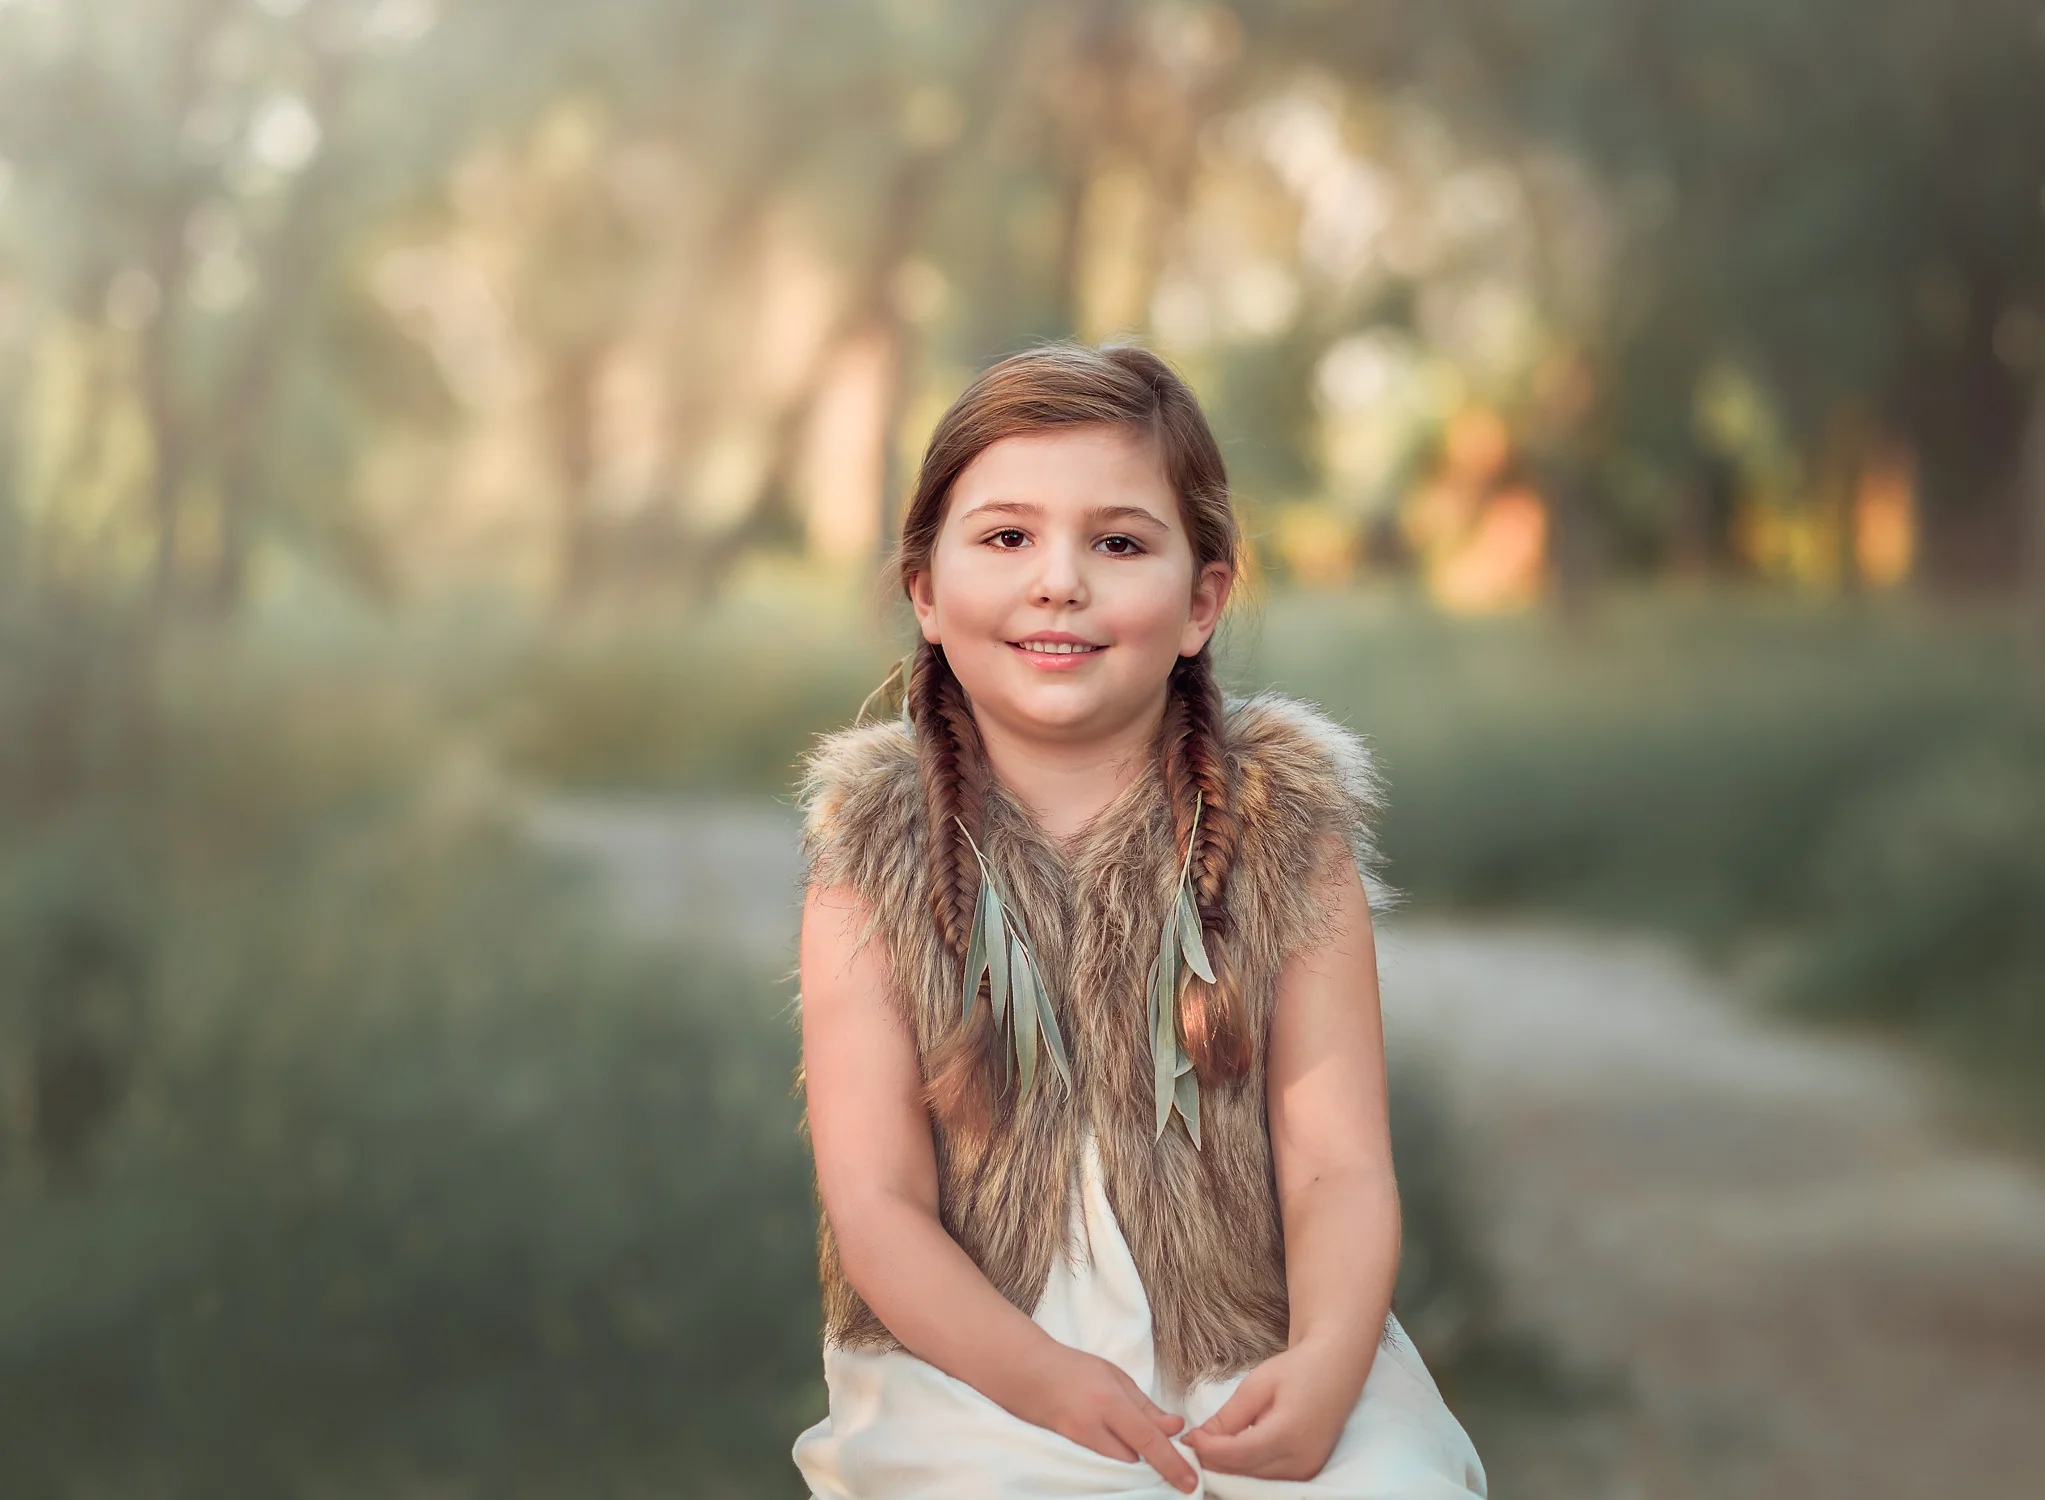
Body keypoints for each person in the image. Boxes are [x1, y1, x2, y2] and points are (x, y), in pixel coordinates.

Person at [790, 340, 1487, 1497]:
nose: (1058, 582)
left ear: (1201, 601)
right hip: (973, 1365)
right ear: (924, 590)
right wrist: (1043, 1379)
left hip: (1252, 1351)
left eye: (1116, 543)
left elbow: (1338, 1168)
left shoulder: (1284, 836)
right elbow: (877, 1206)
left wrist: (1324, 1365)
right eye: (1006, 539)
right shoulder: (871, 858)